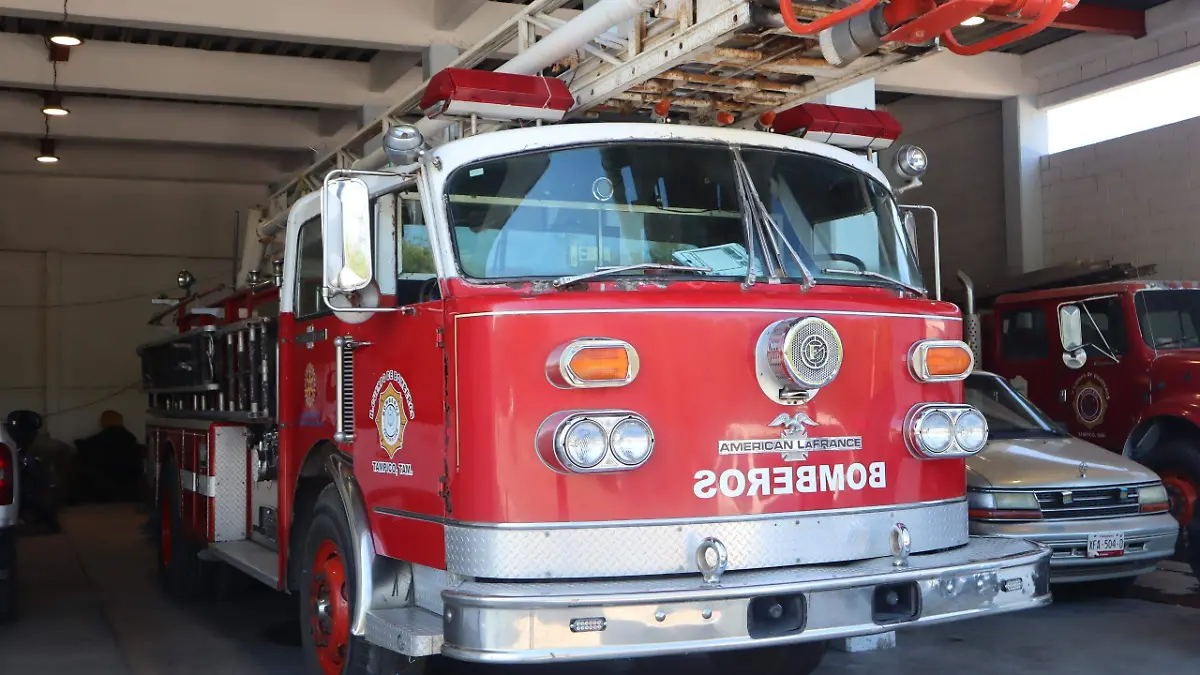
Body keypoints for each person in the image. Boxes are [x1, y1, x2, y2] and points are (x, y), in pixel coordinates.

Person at [74, 410, 144, 503]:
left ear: (104, 422)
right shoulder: (132, 442)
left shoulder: (95, 442)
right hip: (128, 492)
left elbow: (84, 451)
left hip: (100, 493)